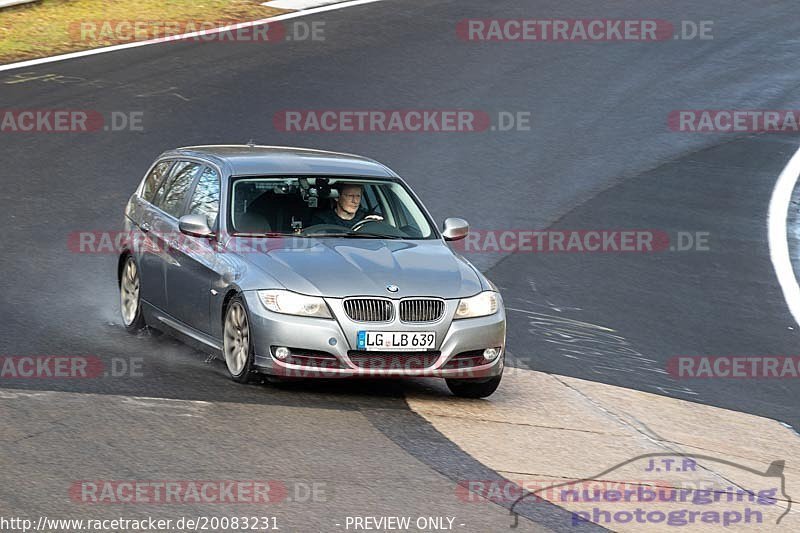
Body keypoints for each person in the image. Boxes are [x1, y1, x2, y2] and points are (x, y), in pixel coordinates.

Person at [311, 183, 380, 229]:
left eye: (358, 196)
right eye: (350, 196)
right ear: (337, 197)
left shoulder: (367, 218)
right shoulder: (321, 220)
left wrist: (374, 224)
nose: (355, 201)